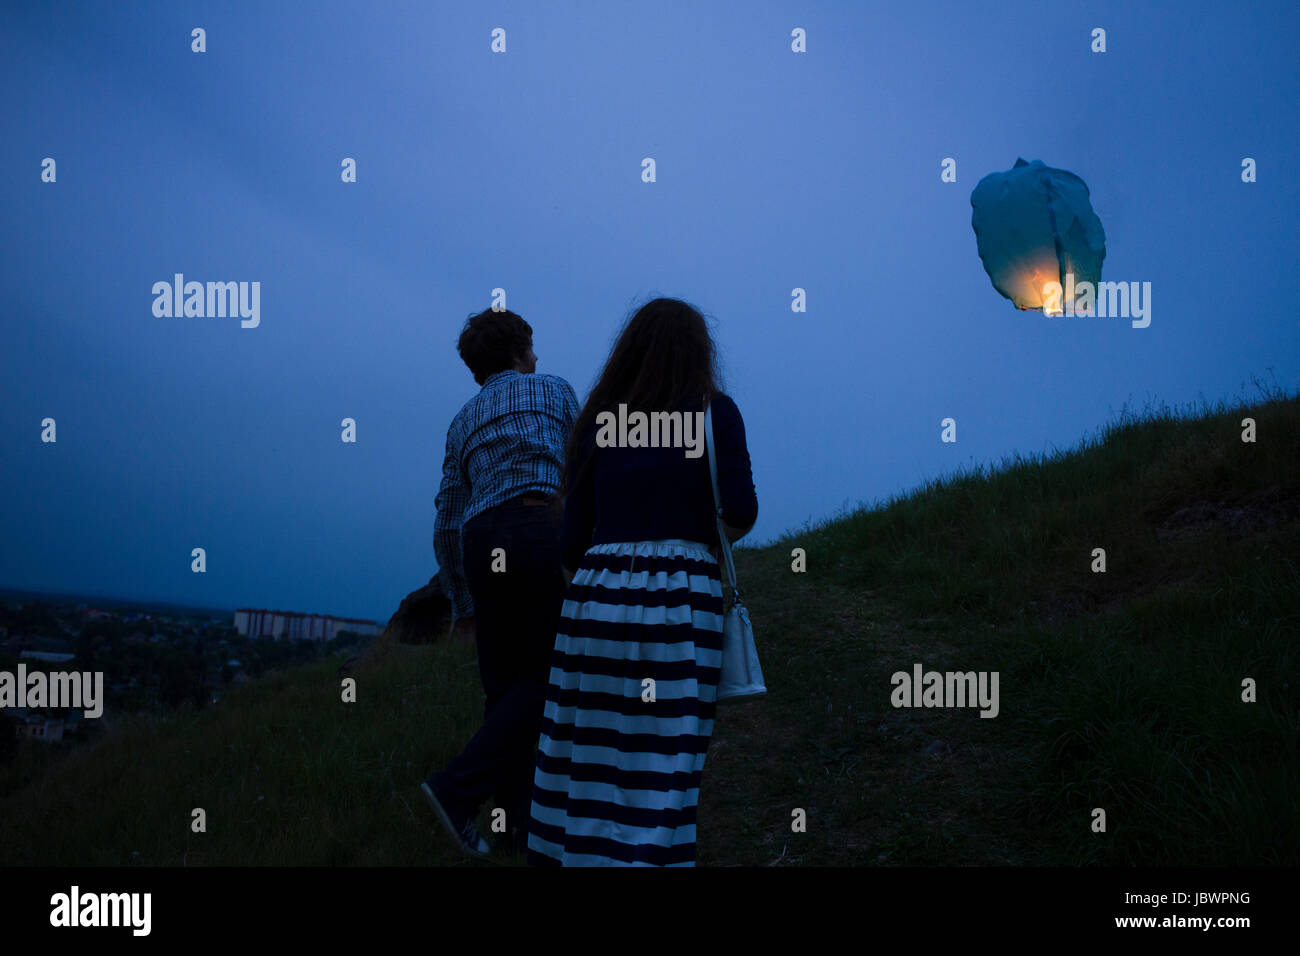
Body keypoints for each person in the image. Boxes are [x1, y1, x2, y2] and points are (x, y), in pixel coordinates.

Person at [527, 297, 758, 866]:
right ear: (700, 352)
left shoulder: (599, 421)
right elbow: (743, 510)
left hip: (598, 593)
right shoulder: (715, 413)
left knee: (587, 756)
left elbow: (571, 539)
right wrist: (695, 543)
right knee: (667, 760)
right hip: (683, 600)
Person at [421, 307, 579, 858]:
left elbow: (445, 518)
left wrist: (462, 603)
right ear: (517, 352)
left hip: (481, 540)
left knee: (504, 688)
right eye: (531, 347)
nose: (537, 357)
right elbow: (581, 473)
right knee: (546, 676)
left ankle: (515, 833)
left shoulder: (461, 421)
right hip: (537, 527)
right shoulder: (556, 391)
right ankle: (454, 790)